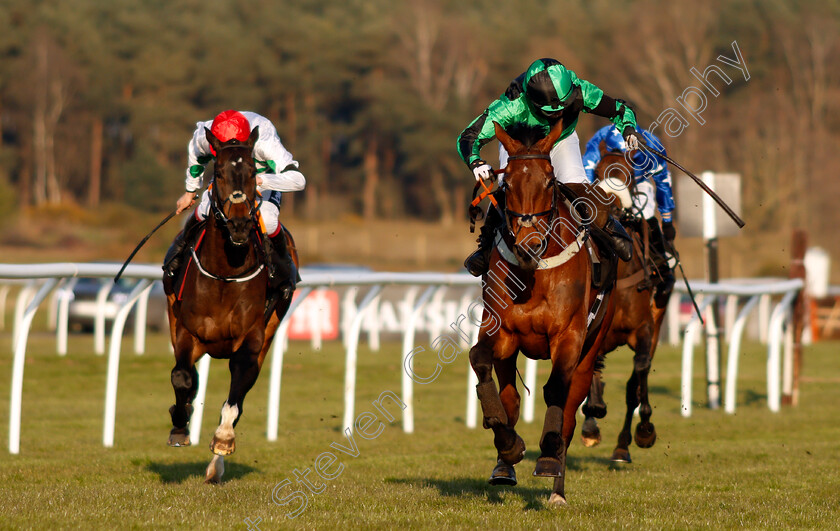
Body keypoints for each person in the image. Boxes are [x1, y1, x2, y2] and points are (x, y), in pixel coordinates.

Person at [457, 57, 640, 277]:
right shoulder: (510, 105)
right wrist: (475, 161)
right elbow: (468, 137)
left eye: (563, 107)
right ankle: (486, 246)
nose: (559, 114)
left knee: (580, 189)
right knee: (511, 189)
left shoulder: (580, 91)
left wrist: (628, 128)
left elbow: (619, 109)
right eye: (551, 112)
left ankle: (609, 227)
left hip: (560, 140)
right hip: (520, 145)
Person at [163, 110, 305, 295]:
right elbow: (196, 157)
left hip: (262, 177)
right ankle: (178, 255)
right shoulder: (204, 137)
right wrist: (190, 191)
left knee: (268, 221)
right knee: (204, 209)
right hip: (229, 177)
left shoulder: (265, 142)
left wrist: (261, 181)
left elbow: (298, 180)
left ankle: (283, 270)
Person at [582, 124, 676, 292]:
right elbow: (586, 178)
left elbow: (663, 183)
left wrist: (667, 221)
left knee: (645, 212)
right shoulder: (598, 141)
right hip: (604, 182)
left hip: (637, 183)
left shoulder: (652, 145)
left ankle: (661, 265)